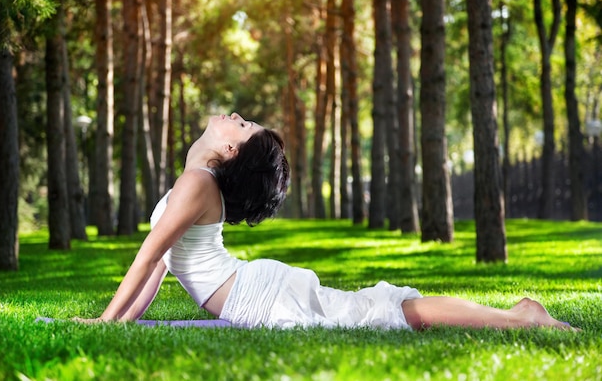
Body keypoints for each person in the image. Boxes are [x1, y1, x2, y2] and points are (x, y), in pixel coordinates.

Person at [75, 113, 572, 331]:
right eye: (245, 122)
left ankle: (517, 317)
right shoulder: (196, 181)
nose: (234, 116)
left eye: (243, 125)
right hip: (255, 288)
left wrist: (103, 321)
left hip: (260, 296)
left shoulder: (196, 184)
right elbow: (157, 265)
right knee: (381, 310)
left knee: (387, 313)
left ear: (229, 151)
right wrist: (118, 322)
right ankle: (513, 315)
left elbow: (146, 256)